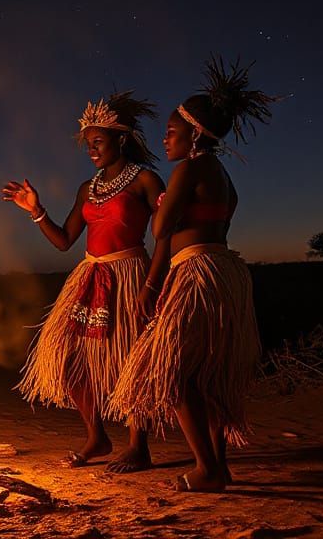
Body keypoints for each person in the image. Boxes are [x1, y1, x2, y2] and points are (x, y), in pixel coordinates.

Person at [108, 58, 275, 492]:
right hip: (223, 271)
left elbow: (161, 230)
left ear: (195, 135)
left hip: (197, 272)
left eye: (171, 131)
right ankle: (218, 467)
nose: (165, 138)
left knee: (172, 373)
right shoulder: (223, 176)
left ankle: (206, 467)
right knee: (210, 373)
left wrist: (164, 204)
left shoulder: (188, 169)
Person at [3, 91, 167, 473]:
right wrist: (35, 210)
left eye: (99, 142)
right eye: (88, 144)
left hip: (130, 275)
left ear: (121, 139)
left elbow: (166, 233)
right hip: (90, 277)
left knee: (131, 358)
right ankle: (97, 436)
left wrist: (152, 285)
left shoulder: (145, 180)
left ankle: (138, 446)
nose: (92, 150)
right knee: (68, 359)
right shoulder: (86, 188)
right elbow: (63, 241)